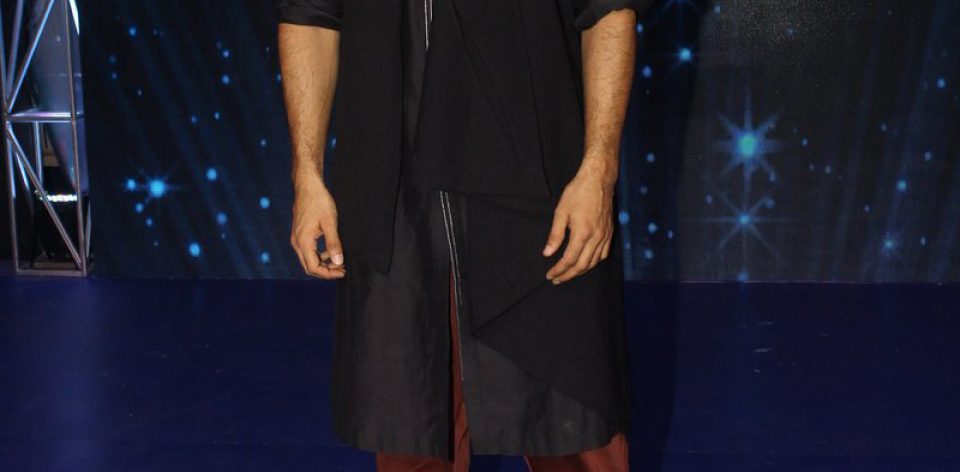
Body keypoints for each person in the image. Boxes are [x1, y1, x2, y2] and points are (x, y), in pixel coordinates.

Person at [276, 0, 649, 470]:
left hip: (542, 193)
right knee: (411, 424)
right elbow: (309, 17)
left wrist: (599, 170)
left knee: (575, 420)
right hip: (395, 205)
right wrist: (307, 176)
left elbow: (609, 12)